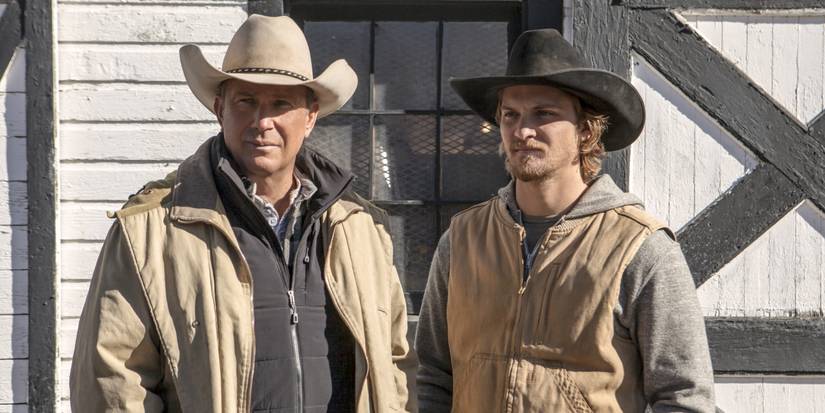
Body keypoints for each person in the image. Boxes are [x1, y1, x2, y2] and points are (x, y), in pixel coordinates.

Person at [70, 15, 417, 413]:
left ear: (310, 116)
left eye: (280, 104)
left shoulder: (360, 227)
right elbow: (112, 381)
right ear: (220, 109)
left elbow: (394, 366)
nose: (261, 122)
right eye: (246, 101)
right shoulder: (151, 231)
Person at [415, 29, 715, 412]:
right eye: (511, 115)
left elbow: (685, 397)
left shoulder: (640, 246)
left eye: (544, 114)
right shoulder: (462, 239)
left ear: (586, 130)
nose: (523, 131)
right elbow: (435, 378)